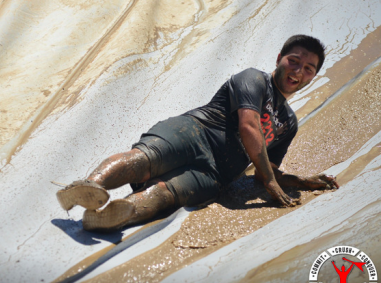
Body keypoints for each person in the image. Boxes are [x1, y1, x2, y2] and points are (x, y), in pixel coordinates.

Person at [56, 35, 339, 232]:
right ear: (279, 58)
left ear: (313, 76)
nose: (298, 71)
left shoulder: (289, 123)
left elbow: (267, 169)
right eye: (294, 61)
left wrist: (298, 181)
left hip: (214, 175)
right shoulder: (253, 78)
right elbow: (249, 126)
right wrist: (270, 182)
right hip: (194, 132)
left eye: (308, 69)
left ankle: (107, 218)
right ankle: (89, 187)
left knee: (162, 196)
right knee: (144, 161)